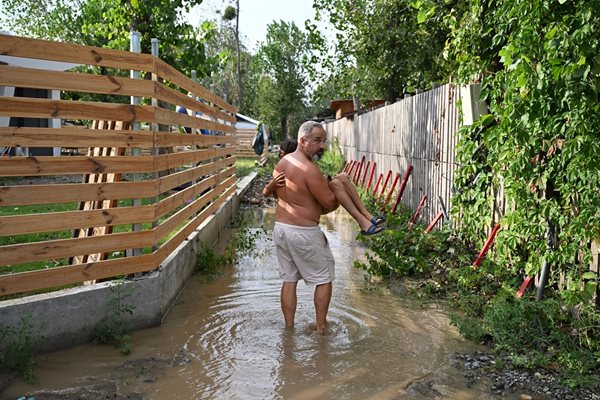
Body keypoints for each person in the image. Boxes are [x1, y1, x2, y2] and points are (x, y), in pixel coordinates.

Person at [263, 138, 384, 235]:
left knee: (341, 178)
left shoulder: (303, 167)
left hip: (316, 202)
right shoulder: (283, 170)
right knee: (336, 183)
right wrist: (272, 185)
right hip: (311, 209)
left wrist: (325, 181)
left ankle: (368, 216)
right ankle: (363, 221)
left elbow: (312, 187)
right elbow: (265, 193)